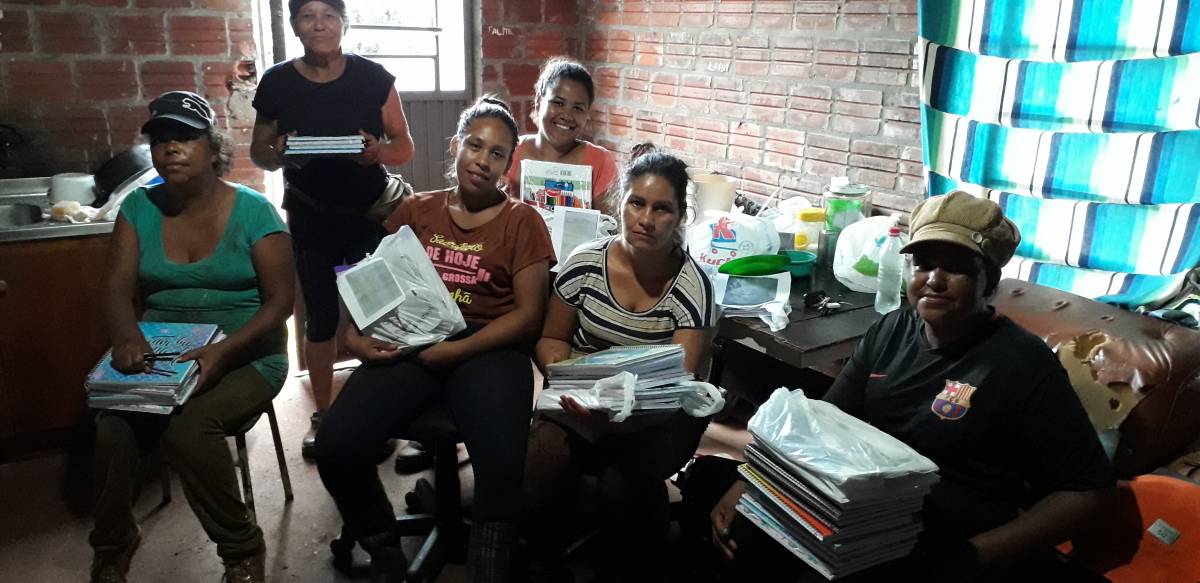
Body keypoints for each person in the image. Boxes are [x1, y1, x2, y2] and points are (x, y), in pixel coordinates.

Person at [701, 191, 1114, 582]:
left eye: (956, 267)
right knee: (712, 488)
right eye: (923, 264)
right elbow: (824, 419)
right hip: (863, 512)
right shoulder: (893, 329)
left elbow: (1087, 492)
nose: (934, 279)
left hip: (940, 536)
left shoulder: (1022, 363)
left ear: (988, 281)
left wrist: (973, 557)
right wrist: (755, 484)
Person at [314, 96, 554, 583]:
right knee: (336, 445)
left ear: (509, 164)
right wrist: (353, 337)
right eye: (475, 146)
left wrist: (457, 350)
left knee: (503, 464)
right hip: (414, 340)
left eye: (497, 154)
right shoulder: (416, 210)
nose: (482, 161)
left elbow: (529, 317)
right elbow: (370, 285)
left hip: (489, 345)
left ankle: (489, 568)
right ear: (455, 146)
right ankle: (385, 552)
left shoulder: (522, 221)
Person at [90, 91, 294, 583]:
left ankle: (241, 548)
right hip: (164, 350)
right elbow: (115, 287)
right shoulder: (138, 208)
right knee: (114, 425)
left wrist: (224, 351)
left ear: (213, 146)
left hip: (247, 351)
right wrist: (126, 336)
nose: (171, 148)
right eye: (161, 139)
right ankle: (115, 541)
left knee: (188, 425)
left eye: (185, 137)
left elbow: (281, 303)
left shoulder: (254, 211)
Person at [523, 150, 718, 583]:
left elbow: (678, 382)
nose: (646, 219)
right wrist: (570, 378)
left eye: (662, 208)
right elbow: (552, 339)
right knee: (541, 461)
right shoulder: (585, 263)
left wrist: (622, 415)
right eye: (636, 203)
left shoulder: (692, 288)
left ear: (680, 216)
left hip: (658, 413)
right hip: (579, 398)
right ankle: (542, 560)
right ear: (620, 204)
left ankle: (639, 561)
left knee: (623, 484)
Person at [250, 0, 415, 458]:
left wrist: (377, 153)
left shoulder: (373, 78)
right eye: (308, 15)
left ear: (344, 23)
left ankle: (382, 415)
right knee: (320, 319)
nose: (319, 24)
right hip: (311, 217)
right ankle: (323, 415)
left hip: (367, 216)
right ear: (294, 26)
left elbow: (404, 146)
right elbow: (259, 152)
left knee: (377, 315)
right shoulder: (277, 83)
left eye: (329, 15)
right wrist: (278, 153)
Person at [504, 57, 620, 216]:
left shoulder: (600, 162)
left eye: (577, 108)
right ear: (538, 102)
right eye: (558, 103)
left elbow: (610, 226)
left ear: (587, 114)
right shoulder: (509, 152)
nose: (566, 115)